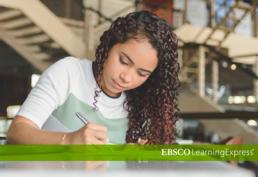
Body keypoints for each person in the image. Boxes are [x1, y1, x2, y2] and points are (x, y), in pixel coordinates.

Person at [7, 11, 180, 145]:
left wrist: (129, 157)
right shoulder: (69, 72)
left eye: (142, 74)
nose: (126, 78)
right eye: (123, 61)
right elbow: (17, 132)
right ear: (110, 45)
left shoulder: (139, 104)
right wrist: (69, 140)